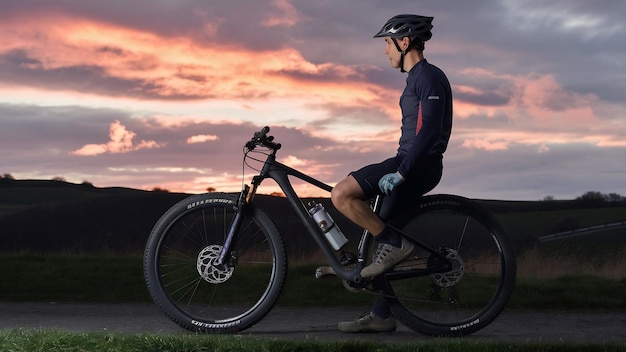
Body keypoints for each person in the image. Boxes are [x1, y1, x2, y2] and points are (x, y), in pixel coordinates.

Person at [331, 14, 453, 333]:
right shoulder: (416, 78)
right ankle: (382, 314)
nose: (385, 50)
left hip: (417, 165)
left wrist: (401, 172)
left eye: (387, 43)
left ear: (403, 43)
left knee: (342, 194)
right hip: (409, 162)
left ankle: (393, 243)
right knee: (379, 237)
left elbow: (429, 131)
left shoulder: (428, 76)